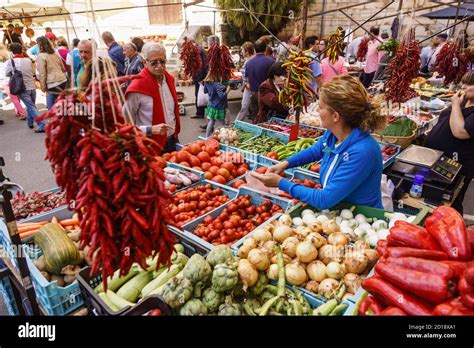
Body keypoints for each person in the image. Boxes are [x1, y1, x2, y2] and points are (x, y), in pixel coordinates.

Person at [251, 75, 386, 209]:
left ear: (335, 116)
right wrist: (285, 164)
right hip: (339, 210)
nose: (317, 110)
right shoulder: (333, 134)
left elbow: (324, 199)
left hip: (361, 220)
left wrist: (281, 183)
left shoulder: (362, 152)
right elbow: (317, 150)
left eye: (320, 107)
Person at [424, 71, 474, 215]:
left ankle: (456, 230)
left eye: (470, 84)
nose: (464, 86)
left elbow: (460, 131)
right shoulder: (465, 99)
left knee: (452, 202)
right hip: (439, 159)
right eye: (463, 83)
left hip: (457, 165)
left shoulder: (460, 102)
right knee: (434, 198)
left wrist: (455, 104)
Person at [123, 42, 181, 154]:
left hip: (173, 140)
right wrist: (150, 129)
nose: (159, 66)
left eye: (163, 61)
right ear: (144, 62)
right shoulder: (137, 87)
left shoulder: (170, 80)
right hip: (149, 145)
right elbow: (125, 125)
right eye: (154, 62)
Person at [5, 43, 44, 132]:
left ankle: (42, 125)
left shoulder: (11, 62)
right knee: (31, 106)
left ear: (12, 51)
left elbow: (7, 74)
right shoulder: (28, 60)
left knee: (31, 107)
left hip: (22, 88)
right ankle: (30, 123)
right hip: (32, 86)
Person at [245, 39, 275, 121]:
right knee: (267, 120)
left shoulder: (248, 63)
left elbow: (247, 80)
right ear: (265, 49)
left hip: (254, 94)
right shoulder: (271, 62)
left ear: (254, 49)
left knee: (255, 118)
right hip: (268, 95)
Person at [36, 36, 67, 110]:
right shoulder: (55, 53)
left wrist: (43, 87)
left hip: (52, 84)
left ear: (39, 45)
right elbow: (62, 68)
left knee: (51, 108)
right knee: (61, 104)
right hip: (62, 80)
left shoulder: (41, 56)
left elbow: (42, 73)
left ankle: (59, 120)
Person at [202, 69, 231, 137]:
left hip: (211, 105)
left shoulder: (206, 82)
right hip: (219, 107)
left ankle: (207, 137)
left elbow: (205, 91)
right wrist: (227, 90)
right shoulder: (216, 84)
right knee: (222, 124)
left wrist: (212, 92)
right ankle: (224, 137)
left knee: (211, 121)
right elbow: (221, 96)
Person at [0, 43, 25, 119]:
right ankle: (17, 111)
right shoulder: (9, 54)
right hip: (12, 78)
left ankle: (22, 112)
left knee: (13, 98)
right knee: (16, 96)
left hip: (3, 79)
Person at [235, 41, 255, 122]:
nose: (241, 52)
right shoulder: (248, 60)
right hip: (248, 87)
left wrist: (245, 85)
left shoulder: (249, 61)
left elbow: (248, 76)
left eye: (242, 50)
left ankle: (237, 123)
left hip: (249, 87)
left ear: (246, 51)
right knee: (248, 106)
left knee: (245, 106)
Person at [190, 40, 207, 119]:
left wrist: (200, 78)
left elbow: (201, 65)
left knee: (199, 94)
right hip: (201, 76)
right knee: (201, 94)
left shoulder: (198, 51)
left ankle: (200, 113)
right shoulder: (199, 49)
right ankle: (201, 112)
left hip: (200, 77)